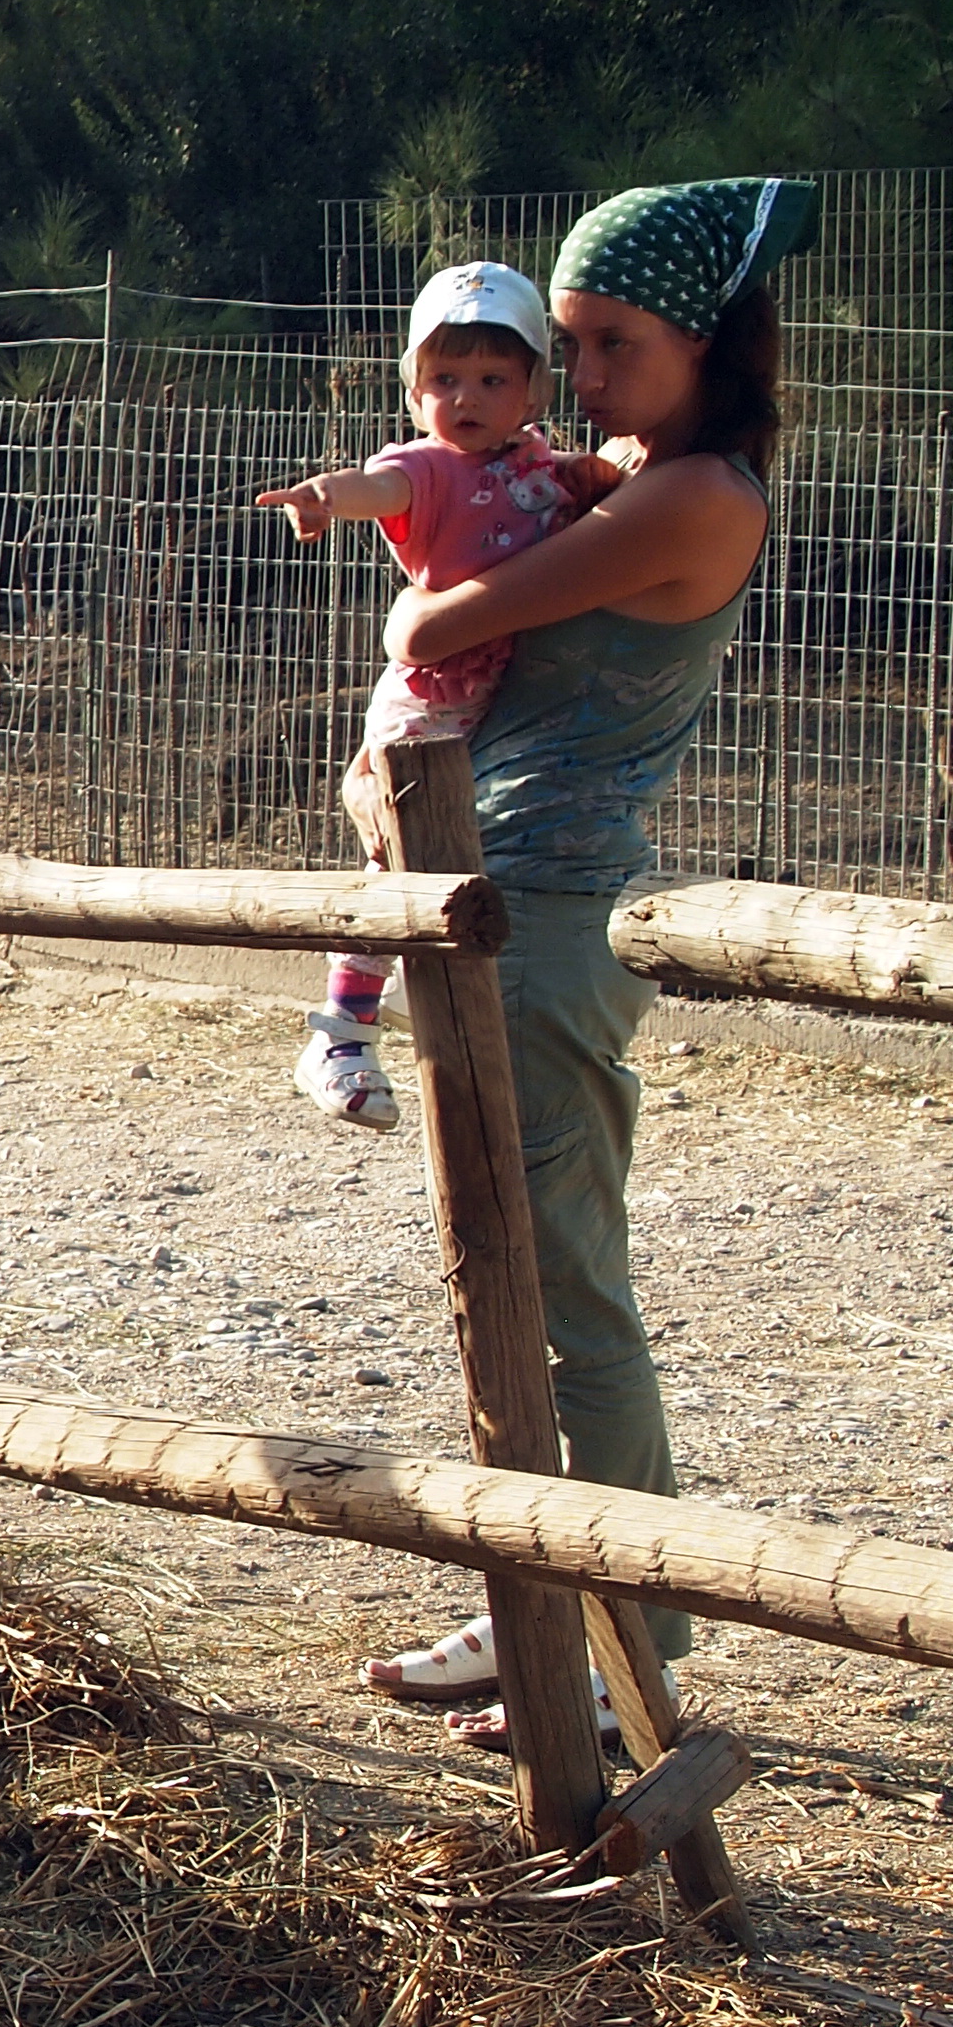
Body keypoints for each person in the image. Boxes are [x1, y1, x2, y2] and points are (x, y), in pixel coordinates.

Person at [344, 176, 814, 1752]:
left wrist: (451, 525)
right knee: (502, 1277)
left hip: (545, 921)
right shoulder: (608, 475)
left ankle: (632, 1654)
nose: (585, 378)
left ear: (709, 342)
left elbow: (432, 627)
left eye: (616, 345)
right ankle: (539, 1608)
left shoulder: (696, 498)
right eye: (575, 344)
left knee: (569, 1306)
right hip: (478, 892)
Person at [257, 261, 615, 1132]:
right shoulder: (428, 468)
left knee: (481, 858)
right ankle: (342, 1031)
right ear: (415, 393)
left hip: (508, 700)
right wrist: (324, 498)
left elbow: (590, 490)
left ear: (533, 388)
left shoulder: (543, 464)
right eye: (445, 379)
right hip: (433, 703)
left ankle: (419, 1002)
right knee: (400, 858)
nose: (466, 398)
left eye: (492, 379)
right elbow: (377, 487)